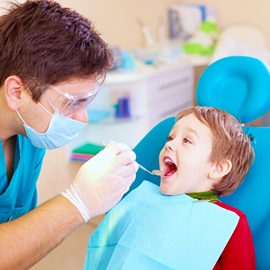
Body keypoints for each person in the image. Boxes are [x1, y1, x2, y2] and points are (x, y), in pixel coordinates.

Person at [0, 1, 138, 269]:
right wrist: (78, 202)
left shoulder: (30, 139)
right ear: (17, 92)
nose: (82, 119)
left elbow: (20, 239)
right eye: (72, 102)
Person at [85, 106, 256, 270]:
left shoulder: (228, 223)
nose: (169, 145)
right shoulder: (142, 199)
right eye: (170, 138)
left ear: (218, 168)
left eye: (187, 140)